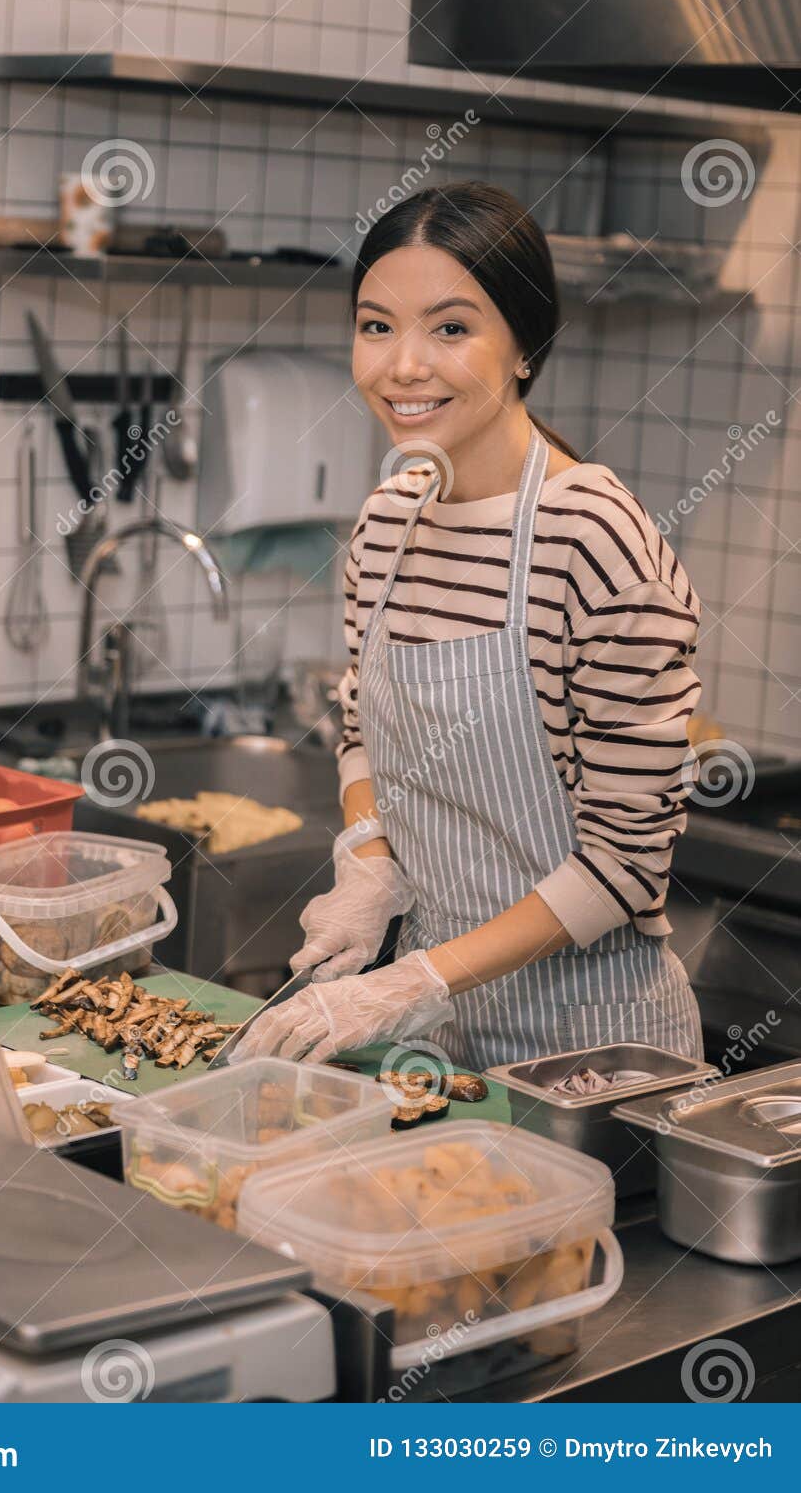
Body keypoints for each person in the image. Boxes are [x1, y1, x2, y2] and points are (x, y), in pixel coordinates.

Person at [233, 182, 703, 1068]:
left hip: (590, 1052)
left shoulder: (594, 535)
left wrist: (414, 980)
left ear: (523, 346)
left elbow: (627, 862)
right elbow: (360, 728)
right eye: (376, 326)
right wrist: (368, 857)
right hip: (428, 1040)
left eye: (450, 328)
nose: (402, 365)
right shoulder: (386, 519)